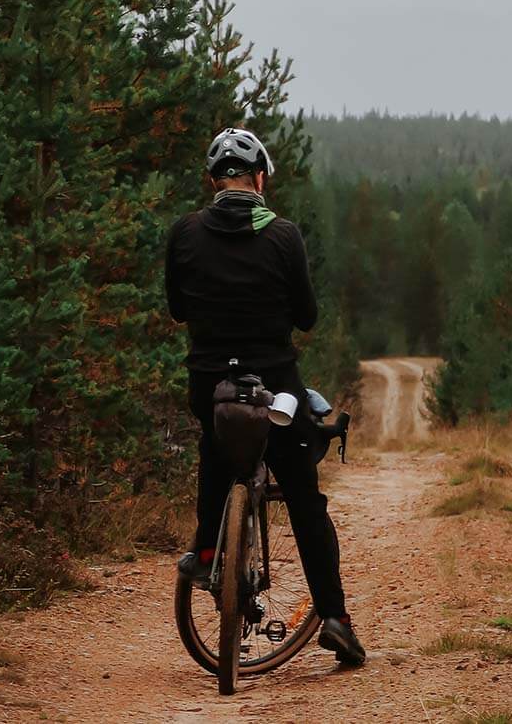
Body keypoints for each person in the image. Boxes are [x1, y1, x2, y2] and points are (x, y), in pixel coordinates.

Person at [164, 127, 365, 667]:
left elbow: (178, 309)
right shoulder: (283, 235)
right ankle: (335, 619)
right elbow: (307, 317)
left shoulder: (184, 234)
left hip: (209, 383)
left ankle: (207, 553)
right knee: (304, 498)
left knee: (215, 446)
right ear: (259, 180)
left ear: (213, 181)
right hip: (275, 386)